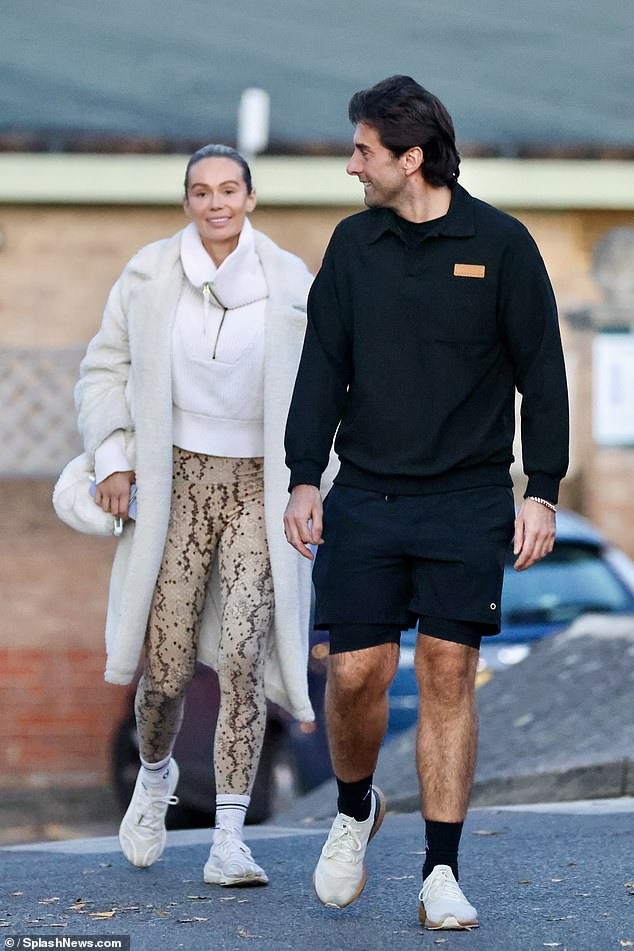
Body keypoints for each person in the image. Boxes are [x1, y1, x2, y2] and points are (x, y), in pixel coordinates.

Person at [284, 76, 569, 929]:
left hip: (467, 498)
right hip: (367, 494)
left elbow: (544, 374)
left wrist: (543, 491)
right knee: (357, 671)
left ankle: (440, 870)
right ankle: (354, 806)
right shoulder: (353, 245)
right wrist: (305, 474)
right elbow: (319, 366)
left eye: (363, 151)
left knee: (448, 671)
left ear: (411, 158)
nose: (351, 166)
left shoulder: (504, 246)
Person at [76, 144, 319, 886]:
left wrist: (311, 480)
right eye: (200, 191)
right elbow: (104, 367)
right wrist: (113, 454)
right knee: (172, 663)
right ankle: (154, 781)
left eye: (229, 189)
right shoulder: (149, 275)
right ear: (187, 201)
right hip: (175, 479)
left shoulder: (289, 282)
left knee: (244, 655)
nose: (215, 202)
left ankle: (228, 839)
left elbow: (324, 386)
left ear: (250, 198)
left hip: (257, 484)